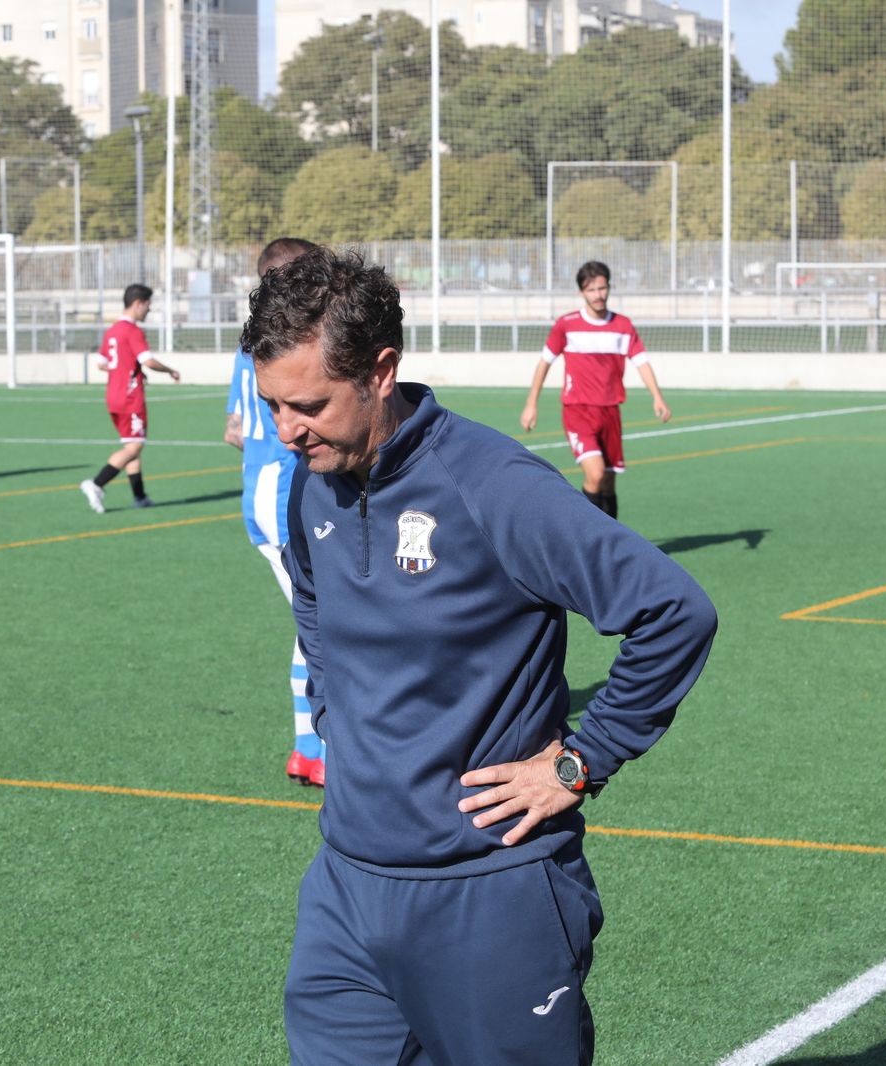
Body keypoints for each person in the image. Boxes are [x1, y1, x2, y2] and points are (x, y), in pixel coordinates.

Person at [243, 248, 716, 1065]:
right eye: (273, 406)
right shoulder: (306, 481)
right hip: (346, 893)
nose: (287, 431)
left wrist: (578, 762)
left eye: (309, 405)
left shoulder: (493, 485)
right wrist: (336, 715)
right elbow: (312, 601)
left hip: (489, 895)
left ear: (381, 371)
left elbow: (675, 612)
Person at [225, 237, 325, 788]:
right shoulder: (285, 345)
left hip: (261, 493)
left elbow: (234, 430)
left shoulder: (253, 343)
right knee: (327, 624)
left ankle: (308, 749)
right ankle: (324, 749)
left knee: (312, 623)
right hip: (283, 496)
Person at [520, 260, 672, 520]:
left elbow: (641, 362)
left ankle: (612, 542)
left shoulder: (623, 326)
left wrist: (657, 397)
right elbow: (544, 363)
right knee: (596, 474)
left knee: (609, 482)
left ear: (609, 288)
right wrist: (531, 403)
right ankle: (587, 535)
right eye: (592, 290)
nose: (598, 295)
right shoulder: (566, 325)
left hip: (610, 412)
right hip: (578, 411)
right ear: (582, 292)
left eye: (602, 288)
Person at [80, 284, 180, 512]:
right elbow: (148, 360)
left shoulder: (112, 330)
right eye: (148, 306)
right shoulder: (132, 331)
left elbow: (102, 363)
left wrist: (128, 370)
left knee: (131, 445)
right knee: (134, 447)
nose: (148, 311)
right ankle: (96, 484)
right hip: (129, 398)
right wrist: (170, 370)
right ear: (138, 304)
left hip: (113, 396)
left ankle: (140, 496)